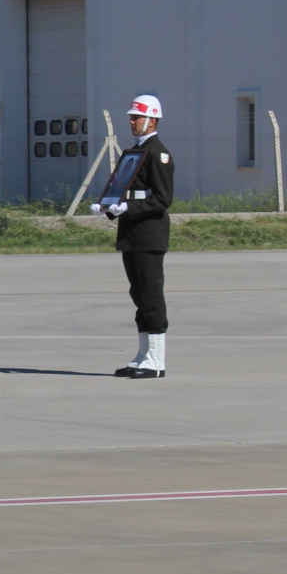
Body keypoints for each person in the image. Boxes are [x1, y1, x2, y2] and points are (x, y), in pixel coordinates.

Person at [91, 95, 175, 379]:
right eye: (131, 117)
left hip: (149, 234)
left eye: (136, 117)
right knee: (138, 296)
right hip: (132, 233)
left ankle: (157, 360)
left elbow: (162, 198)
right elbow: (127, 189)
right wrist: (108, 206)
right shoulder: (136, 152)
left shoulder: (158, 153)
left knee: (151, 296)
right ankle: (143, 356)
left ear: (151, 120)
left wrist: (128, 208)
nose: (131, 121)